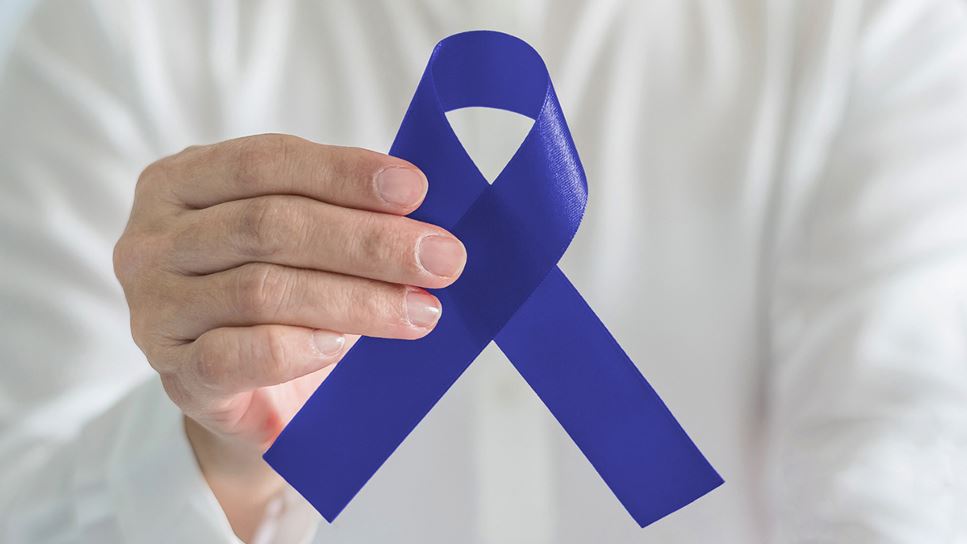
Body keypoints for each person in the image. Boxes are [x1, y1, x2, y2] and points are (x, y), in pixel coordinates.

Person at [2, 1, 966, 542]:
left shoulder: (871, 25)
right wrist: (214, 455)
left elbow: (901, 478)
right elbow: (25, 502)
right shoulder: (119, 32)